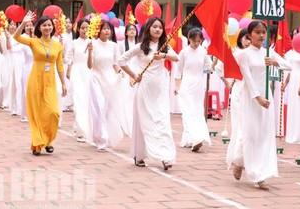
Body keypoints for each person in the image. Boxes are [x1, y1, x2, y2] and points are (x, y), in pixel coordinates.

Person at [230, 20, 290, 190]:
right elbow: (247, 77)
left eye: (263, 32)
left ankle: (253, 169)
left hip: (266, 96)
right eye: (257, 32)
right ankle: (253, 172)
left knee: (263, 134)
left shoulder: (268, 52)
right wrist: (257, 97)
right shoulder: (244, 54)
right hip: (250, 97)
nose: (261, 35)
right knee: (251, 133)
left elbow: (289, 65)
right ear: (249, 35)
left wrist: (275, 62)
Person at [117, 17, 178, 170]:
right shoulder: (140, 47)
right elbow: (121, 60)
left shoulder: (164, 46)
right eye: (155, 27)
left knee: (162, 121)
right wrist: (133, 75)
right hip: (144, 89)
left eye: (160, 27)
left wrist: (163, 55)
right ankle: (139, 155)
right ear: (148, 28)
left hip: (160, 90)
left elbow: (177, 57)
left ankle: (166, 156)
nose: (158, 29)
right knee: (144, 121)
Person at [13, 11, 68, 156]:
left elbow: (60, 66)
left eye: (49, 25)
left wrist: (64, 83)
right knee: (37, 113)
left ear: (53, 27)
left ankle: (48, 140)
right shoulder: (34, 41)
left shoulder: (57, 45)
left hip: (50, 82)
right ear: (39, 28)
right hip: (35, 80)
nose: (47, 27)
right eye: (44, 25)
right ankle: (37, 144)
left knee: (53, 113)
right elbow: (16, 37)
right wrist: (24, 23)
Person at [66, 19, 107, 148]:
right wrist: (69, 69)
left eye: (87, 28)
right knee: (78, 100)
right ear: (78, 29)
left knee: (88, 101)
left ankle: (80, 127)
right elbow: (68, 58)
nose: (84, 30)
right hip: (77, 72)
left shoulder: (93, 43)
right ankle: (81, 131)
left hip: (90, 73)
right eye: (82, 28)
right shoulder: (73, 43)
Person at [174, 27, 213, 152]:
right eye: (194, 41)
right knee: (187, 112)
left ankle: (191, 139)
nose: (196, 43)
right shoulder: (184, 52)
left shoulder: (203, 52)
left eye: (199, 41)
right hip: (186, 85)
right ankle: (195, 138)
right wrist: (177, 86)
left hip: (198, 86)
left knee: (197, 112)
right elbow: (178, 71)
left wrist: (216, 61)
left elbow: (209, 67)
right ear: (189, 39)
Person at [91, 20, 126, 148]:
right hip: (96, 79)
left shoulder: (114, 46)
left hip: (110, 80)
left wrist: (120, 72)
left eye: (108, 29)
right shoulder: (93, 44)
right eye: (104, 28)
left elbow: (115, 64)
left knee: (109, 109)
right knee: (99, 107)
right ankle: (101, 139)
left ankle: (106, 133)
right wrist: (89, 51)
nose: (106, 31)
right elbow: (90, 65)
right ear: (98, 30)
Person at [221, 29, 251, 170]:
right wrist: (228, 82)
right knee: (239, 125)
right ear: (240, 39)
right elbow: (220, 69)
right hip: (239, 92)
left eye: (251, 38)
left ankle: (244, 158)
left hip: (253, 94)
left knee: (249, 125)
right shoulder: (237, 54)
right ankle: (238, 157)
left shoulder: (256, 54)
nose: (249, 41)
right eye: (246, 38)